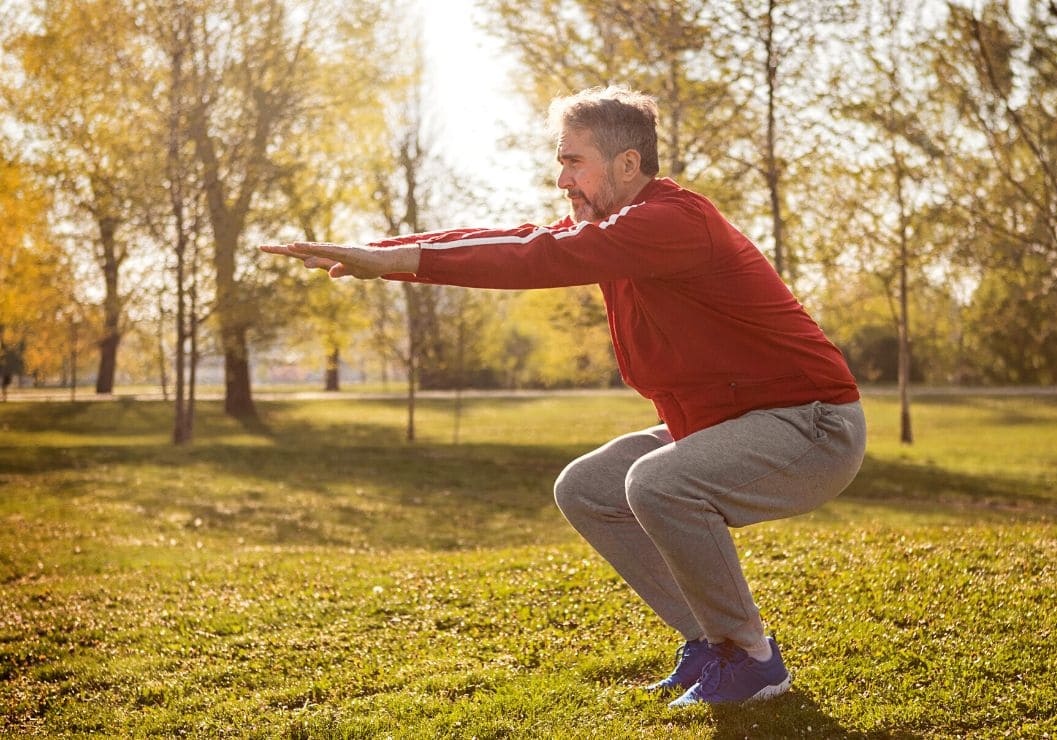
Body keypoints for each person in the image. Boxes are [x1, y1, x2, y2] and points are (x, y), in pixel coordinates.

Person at [261, 86, 866, 707]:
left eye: (573, 161)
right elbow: (517, 237)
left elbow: (535, 256)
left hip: (811, 427)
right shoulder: (617, 228)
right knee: (588, 487)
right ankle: (711, 643)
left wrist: (389, 262)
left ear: (627, 164)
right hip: (729, 424)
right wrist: (379, 254)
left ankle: (753, 661)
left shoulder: (671, 221)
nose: (561, 179)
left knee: (656, 482)